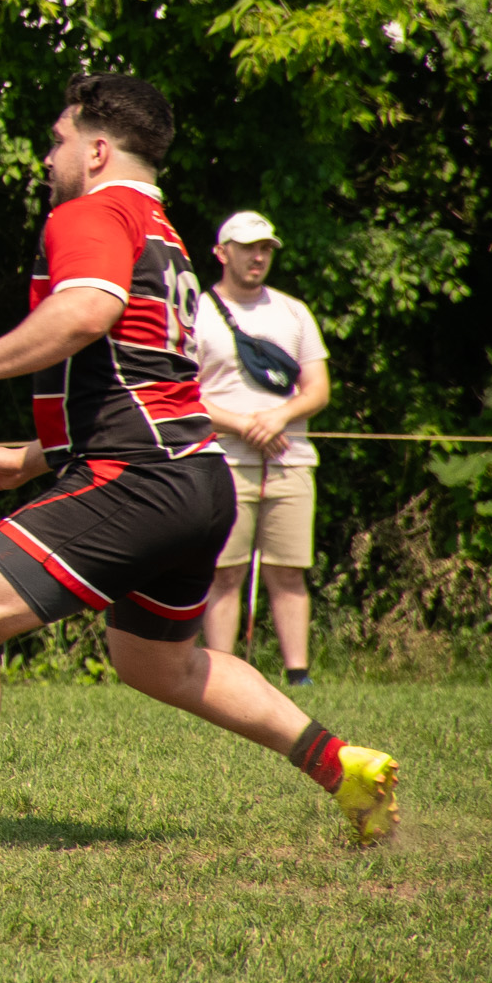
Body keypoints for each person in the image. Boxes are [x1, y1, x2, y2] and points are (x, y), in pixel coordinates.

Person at [0, 73, 397, 856]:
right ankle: (342, 765)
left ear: (97, 148)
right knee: (158, 661)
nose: (48, 157)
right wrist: (34, 459)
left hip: (140, 478)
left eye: (58, 139)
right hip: (197, 479)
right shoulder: (164, 232)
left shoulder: (91, 210)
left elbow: (86, 311)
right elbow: (144, 384)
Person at [191, 210, 331, 686]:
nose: (258, 256)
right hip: (222, 460)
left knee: (289, 571)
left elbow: (317, 389)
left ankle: (299, 675)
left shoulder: (294, 312)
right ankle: (219, 675)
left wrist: (278, 418)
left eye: (266, 248)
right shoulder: (197, 312)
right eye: (249, 247)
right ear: (221, 252)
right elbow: (180, 395)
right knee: (223, 574)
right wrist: (243, 425)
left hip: (290, 460)